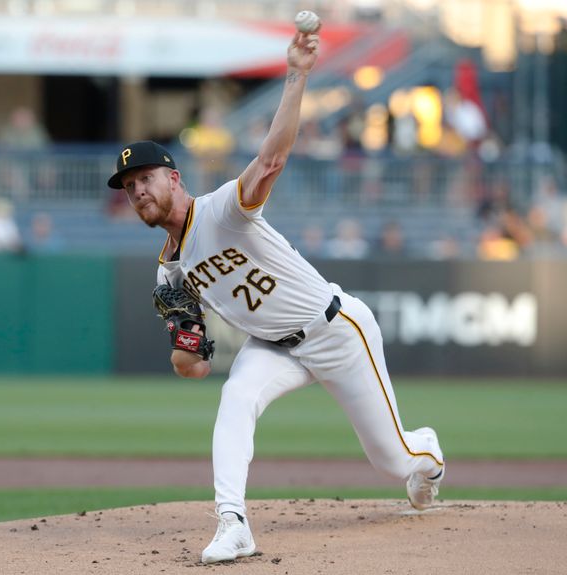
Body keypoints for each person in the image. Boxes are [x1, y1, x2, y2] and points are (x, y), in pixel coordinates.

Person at [106, 28, 445, 565]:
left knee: (393, 460)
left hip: (335, 329)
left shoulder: (220, 209)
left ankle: (427, 453)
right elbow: (190, 367)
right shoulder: (169, 271)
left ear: (174, 177)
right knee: (235, 397)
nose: (138, 191)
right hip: (272, 345)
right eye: (128, 187)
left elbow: (269, 161)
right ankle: (233, 522)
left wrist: (298, 73)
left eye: (145, 178)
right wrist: (186, 347)